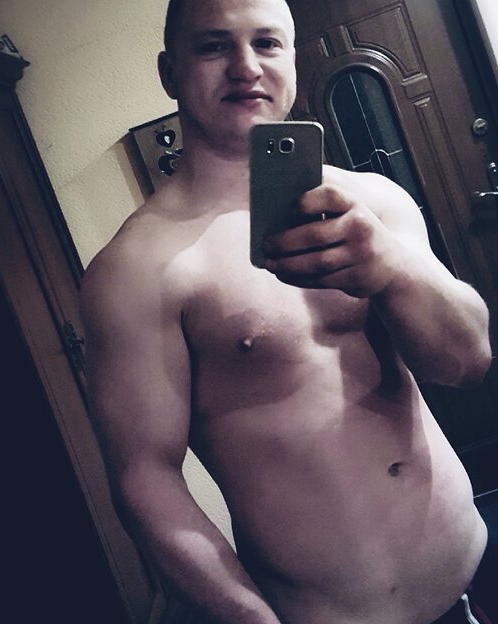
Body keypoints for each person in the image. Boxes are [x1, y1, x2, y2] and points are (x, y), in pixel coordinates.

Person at [80, 0, 495, 622]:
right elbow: (144, 480)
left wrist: (393, 268)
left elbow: (467, 362)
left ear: (293, 60)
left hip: (472, 576)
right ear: (170, 72)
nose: (246, 67)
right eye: (214, 45)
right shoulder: (136, 269)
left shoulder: (377, 202)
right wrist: (253, 619)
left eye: (267, 43)